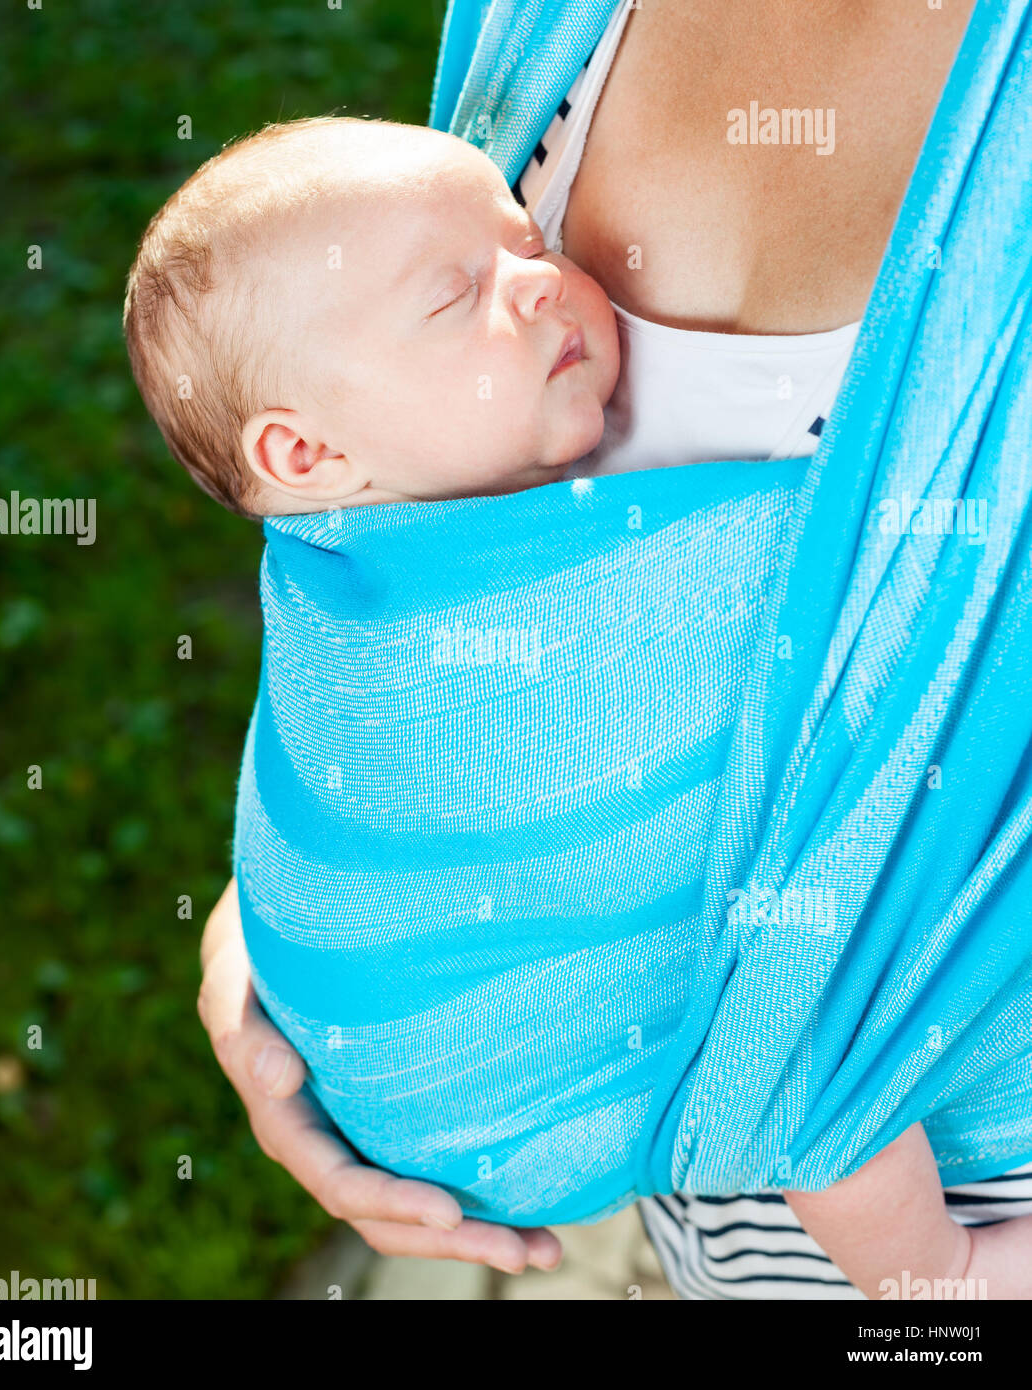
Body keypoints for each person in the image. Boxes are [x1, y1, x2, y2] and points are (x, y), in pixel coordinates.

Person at [196, 0, 1032, 1296]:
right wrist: (340, 924)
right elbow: (425, 583)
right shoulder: (547, 21)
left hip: (950, 1158)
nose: (535, 277)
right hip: (713, 1227)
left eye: (522, 249)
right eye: (478, 275)